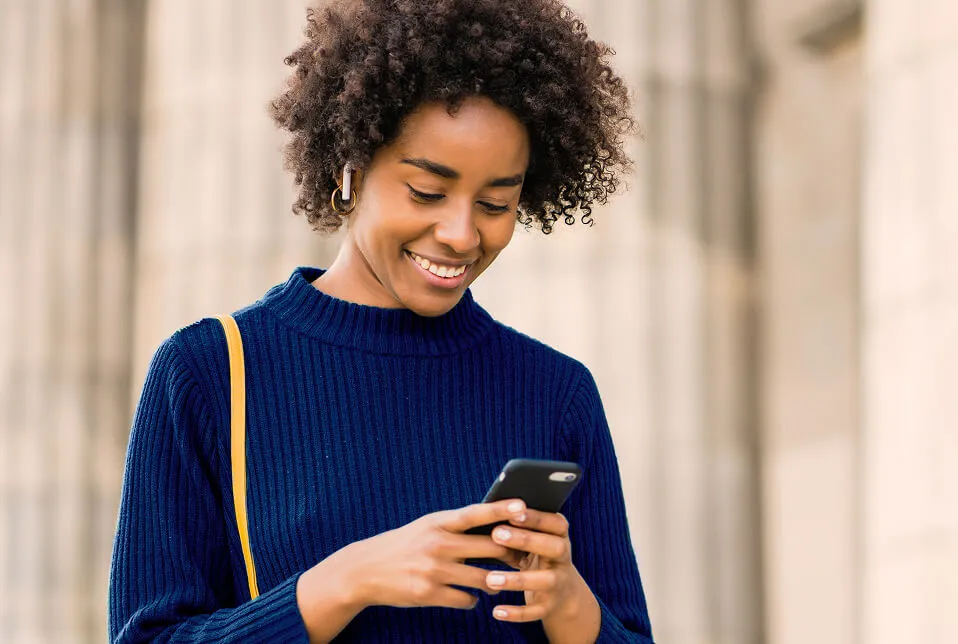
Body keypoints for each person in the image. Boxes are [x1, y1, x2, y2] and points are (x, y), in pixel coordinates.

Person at [108, 0, 653, 641]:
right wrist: (341, 584)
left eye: (495, 202)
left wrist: (570, 607)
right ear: (351, 165)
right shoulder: (210, 372)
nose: (460, 233)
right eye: (426, 192)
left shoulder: (557, 392)